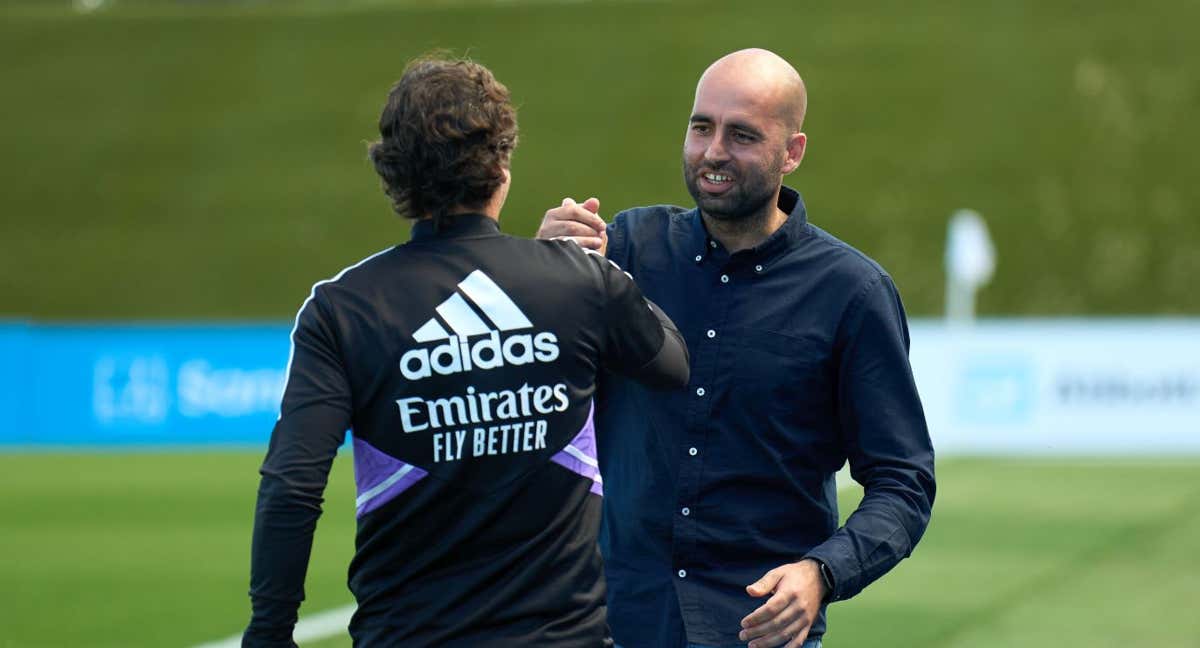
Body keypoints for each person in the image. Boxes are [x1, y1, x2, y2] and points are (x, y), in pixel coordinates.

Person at [242, 55, 689, 647]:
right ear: (501, 163)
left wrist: (270, 632)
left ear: (393, 174)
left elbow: (293, 484)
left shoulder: (342, 308)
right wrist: (589, 267)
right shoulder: (578, 284)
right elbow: (672, 364)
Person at [538, 48, 936, 648]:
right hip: (615, 622)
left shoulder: (851, 293)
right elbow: (534, 373)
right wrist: (542, 269)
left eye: (743, 135)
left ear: (792, 152)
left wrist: (822, 574)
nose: (714, 151)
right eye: (702, 127)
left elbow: (903, 482)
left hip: (755, 631)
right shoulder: (626, 250)